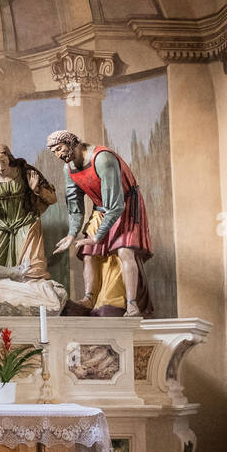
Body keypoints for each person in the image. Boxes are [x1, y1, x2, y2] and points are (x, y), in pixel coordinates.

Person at [47, 129, 155, 317]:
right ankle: (89, 298)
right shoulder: (69, 168)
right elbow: (75, 207)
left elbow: (115, 205)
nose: (58, 155)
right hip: (101, 208)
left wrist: (98, 237)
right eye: (54, 152)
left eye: (59, 148)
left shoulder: (102, 158)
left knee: (124, 251)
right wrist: (72, 234)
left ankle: (132, 305)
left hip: (124, 206)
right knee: (88, 253)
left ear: (71, 142)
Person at [0, 142, 56, 279]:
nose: (0, 167)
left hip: (26, 223)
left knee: (31, 270)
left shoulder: (25, 172)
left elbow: (52, 198)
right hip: (1, 226)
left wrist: (37, 189)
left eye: (3, 161)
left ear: (10, 158)